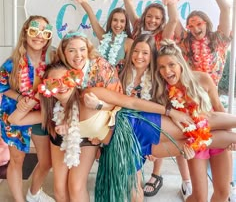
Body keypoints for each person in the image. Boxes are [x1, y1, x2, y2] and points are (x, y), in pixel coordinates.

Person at [8, 62, 236, 202]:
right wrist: (27, 104)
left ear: (76, 78)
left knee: (197, 124)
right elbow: (16, 120)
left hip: (136, 125)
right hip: (124, 147)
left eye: (67, 78)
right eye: (54, 83)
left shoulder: (91, 92)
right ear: (47, 89)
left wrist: (170, 111)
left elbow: (132, 103)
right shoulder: (55, 113)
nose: (63, 85)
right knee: (198, 142)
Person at [122, 0, 191, 197]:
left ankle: (157, 173)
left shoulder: (163, 37)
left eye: (156, 18)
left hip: (157, 93)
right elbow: (128, 2)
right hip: (133, 94)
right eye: (149, 16)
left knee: (159, 136)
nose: (152, 20)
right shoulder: (136, 29)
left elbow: (173, 17)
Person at [175, 0, 233, 201]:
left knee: (223, 191)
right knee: (199, 195)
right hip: (192, 111)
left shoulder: (219, 40)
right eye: (191, 25)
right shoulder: (185, 45)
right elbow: (173, 18)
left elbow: (226, 9)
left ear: (206, 25)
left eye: (199, 23)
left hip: (215, 106)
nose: (194, 27)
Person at [155, 39, 234, 202]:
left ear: (180, 63)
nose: (166, 71)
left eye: (171, 65)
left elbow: (218, 107)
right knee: (199, 198)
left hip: (216, 136)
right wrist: (181, 149)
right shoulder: (162, 92)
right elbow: (171, 128)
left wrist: (229, 135)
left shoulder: (203, 79)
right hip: (194, 145)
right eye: (161, 67)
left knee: (224, 192)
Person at [53, 31, 122, 202]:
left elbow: (119, 103)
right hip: (65, 128)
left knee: (75, 187)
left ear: (88, 49)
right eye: (72, 50)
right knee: (60, 188)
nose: (78, 56)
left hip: (91, 132)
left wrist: (98, 106)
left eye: (82, 49)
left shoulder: (102, 68)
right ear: (63, 51)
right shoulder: (59, 69)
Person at [0, 15, 55, 202]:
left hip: (41, 115)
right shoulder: (12, 62)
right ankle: (19, 200)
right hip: (14, 114)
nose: (39, 36)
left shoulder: (53, 61)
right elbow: (2, 86)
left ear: (48, 37)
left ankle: (34, 193)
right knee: (17, 161)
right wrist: (20, 97)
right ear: (25, 33)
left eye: (44, 32)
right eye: (34, 31)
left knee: (47, 161)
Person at [69, 0, 133, 66]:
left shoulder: (129, 43)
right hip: (97, 76)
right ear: (110, 21)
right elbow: (91, 14)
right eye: (115, 20)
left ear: (126, 24)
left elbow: (129, 68)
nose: (118, 24)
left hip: (118, 78)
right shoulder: (104, 37)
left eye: (122, 21)